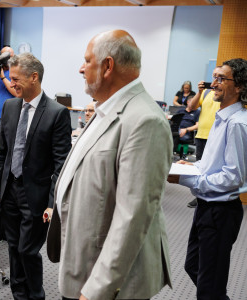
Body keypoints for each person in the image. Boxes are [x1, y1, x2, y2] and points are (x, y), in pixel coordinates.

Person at [47, 30, 172, 300]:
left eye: (87, 60)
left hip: (107, 283)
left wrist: (97, 290)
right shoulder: (106, 108)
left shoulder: (144, 120)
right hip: (85, 262)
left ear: (107, 66)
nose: (81, 68)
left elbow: (133, 217)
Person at [0, 53, 71, 300]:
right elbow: (1, 151)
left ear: (34, 77)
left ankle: (35, 295)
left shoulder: (56, 113)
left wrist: (53, 203)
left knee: (27, 250)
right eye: (10, 78)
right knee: (13, 247)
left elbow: (61, 164)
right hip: (9, 190)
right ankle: (18, 295)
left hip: (36, 195)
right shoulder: (9, 107)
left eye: (15, 78)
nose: (11, 83)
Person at [167, 58, 247, 300]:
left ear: (240, 86)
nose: (214, 83)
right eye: (214, 77)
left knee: (209, 286)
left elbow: (232, 177)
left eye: (222, 79)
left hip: (221, 212)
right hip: (206, 207)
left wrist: (187, 180)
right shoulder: (221, 117)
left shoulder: (237, 123)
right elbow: (211, 163)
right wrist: (191, 166)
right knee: (194, 268)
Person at [185, 67, 221, 208]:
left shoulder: (224, 93)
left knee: (213, 169)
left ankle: (210, 197)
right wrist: (199, 92)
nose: (215, 79)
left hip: (216, 136)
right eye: (214, 76)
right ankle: (198, 196)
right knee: (200, 168)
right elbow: (191, 108)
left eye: (219, 76)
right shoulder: (205, 92)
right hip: (201, 135)